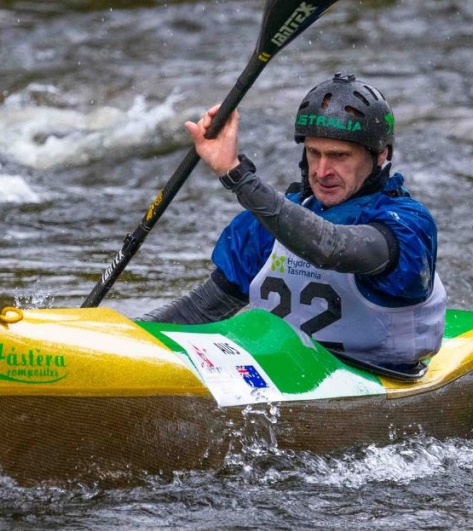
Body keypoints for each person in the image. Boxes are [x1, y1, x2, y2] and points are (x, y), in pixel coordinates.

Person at [141, 72, 447, 376]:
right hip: (286, 376)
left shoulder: (405, 224)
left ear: (380, 156)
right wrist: (127, 338)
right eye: (315, 153)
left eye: (340, 156)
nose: (323, 170)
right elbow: (200, 311)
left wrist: (237, 176)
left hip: (381, 376)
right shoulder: (268, 224)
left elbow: (330, 247)